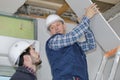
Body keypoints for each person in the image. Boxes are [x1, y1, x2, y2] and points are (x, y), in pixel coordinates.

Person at [45, 3, 98, 80]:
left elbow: (91, 45)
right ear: (50, 32)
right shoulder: (53, 42)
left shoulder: (74, 45)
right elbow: (73, 36)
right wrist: (86, 18)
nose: (56, 28)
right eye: (52, 27)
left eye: (58, 25)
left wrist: (85, 26)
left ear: (64, 26)